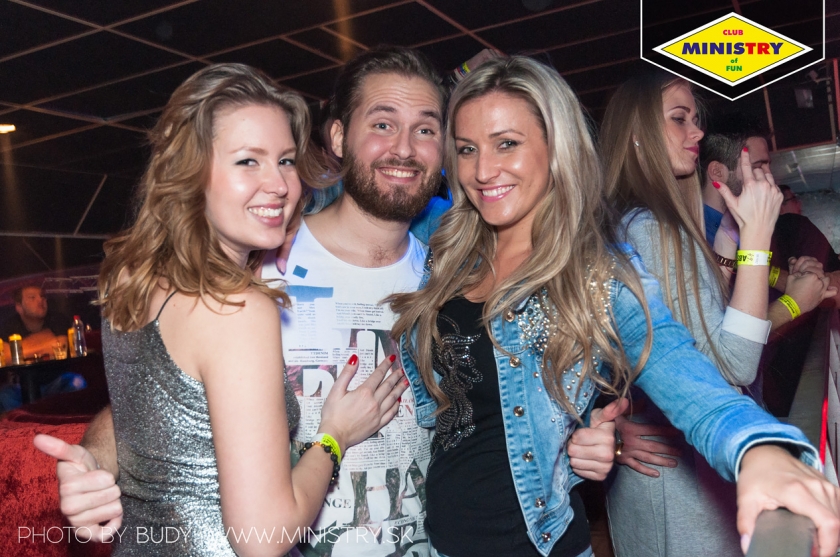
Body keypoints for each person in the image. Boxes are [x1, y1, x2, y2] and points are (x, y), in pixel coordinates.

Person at [38, 47, 617, 557]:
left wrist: (580, 431)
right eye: (383, 124)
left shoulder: (454, 281)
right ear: (338, 138)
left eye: (425, 129)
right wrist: (96, 459)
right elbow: (168, 394)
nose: (404, 148)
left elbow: (514, 402)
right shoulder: (261, 264)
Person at [389, 57, 840, 557]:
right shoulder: (448, 250)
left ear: (556, 148)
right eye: (467, 149)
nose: (482, 170)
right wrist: (587, 432)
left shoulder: (597, 270)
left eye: (507, 143)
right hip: (440, 543)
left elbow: (682, 367)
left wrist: (757, 448)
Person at [34, 63, 408, 556]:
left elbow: (157, 406)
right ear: (191, 175)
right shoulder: (237, 308)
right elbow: (264, 538)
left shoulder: (130, 279)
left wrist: (95, 457)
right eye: (248, 161)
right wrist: (334, 437)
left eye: (286, 160)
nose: (279, 184)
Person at [0, 285, 82, 411]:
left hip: (56, 380)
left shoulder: (57, 319)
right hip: (22, 385)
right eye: (32, 298)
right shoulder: (9, 325)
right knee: (4, 395)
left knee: (77, 383)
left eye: (42, 296)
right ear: (19, 307)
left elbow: (60, 346)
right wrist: (46, 340)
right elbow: (7, 357)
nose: (40, 300)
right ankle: (25, 423)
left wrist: (22, 348)